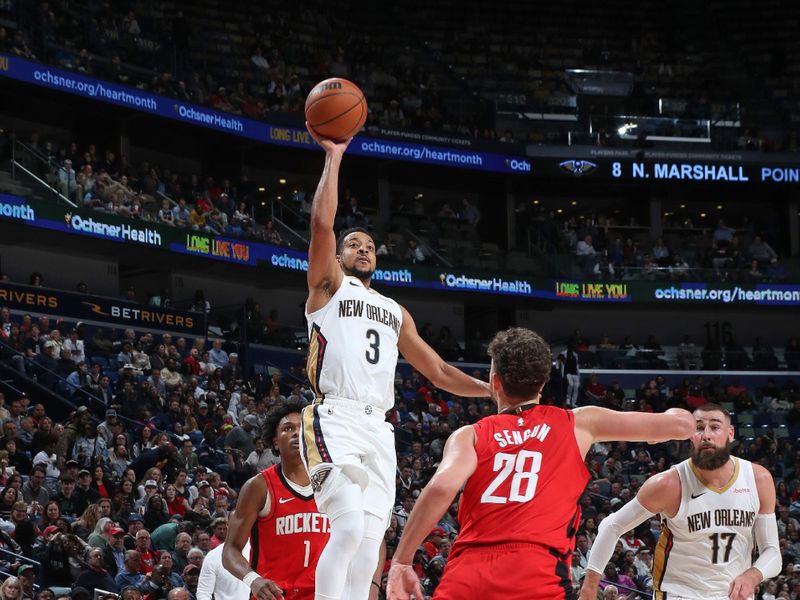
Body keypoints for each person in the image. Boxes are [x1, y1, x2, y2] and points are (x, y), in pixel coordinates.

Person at [301, 125, 490, 600]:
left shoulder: (394, 311)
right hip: (336, 416)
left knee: (368, 545)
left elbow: (440, 372)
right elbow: (322, 225)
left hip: (379, 429)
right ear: (339, 257)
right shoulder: (328, 287)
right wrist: (334, 156)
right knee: (345, 527)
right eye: (354, 245)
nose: (363, 249)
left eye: (369, 246)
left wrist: (493, 393)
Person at [386, 327, 696, 600]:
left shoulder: (470, 435)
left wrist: (402, 559)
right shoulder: (579, 423)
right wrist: (662, 429)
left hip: (467, 572)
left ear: (494, 382)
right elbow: (682, 424)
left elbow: (441, 486)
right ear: (544, 382)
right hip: (537, 571)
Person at [579, 403, 781, 600]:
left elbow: (772, 552)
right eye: (699, 427)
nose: (706, 435)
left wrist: (753, 575)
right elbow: (612, 525)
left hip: (734, 595)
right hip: (680, 593)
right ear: (691, 435)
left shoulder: (757, 479)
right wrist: (589, 588)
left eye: (715, 427)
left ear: (730, 433)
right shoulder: (668, 484)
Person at [223, 399, 330, 600]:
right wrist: (253, 580)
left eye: (303, 427)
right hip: (276, 595)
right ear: (274, 441)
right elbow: (230, 551)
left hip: (323, 594)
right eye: (288, 428)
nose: (297, 433)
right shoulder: (259, 486)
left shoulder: (332, 484)